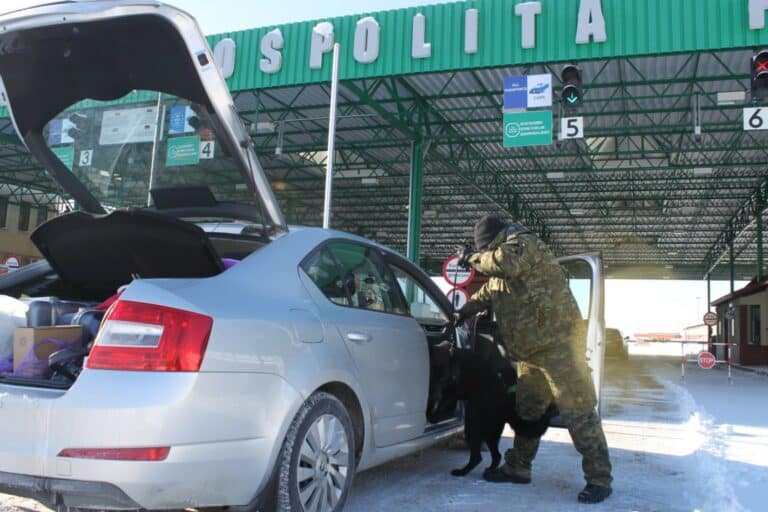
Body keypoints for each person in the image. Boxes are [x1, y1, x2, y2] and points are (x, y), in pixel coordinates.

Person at [455, 215, 613, 504]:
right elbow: (487, 293)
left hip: (559, 348)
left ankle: (599, 478)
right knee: (528, 413)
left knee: (579, 412)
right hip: (529, 354)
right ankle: (518, 467)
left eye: (485, 248)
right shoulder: (502, 274)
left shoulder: (524, 245)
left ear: (493, 241)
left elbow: (503, 263)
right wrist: (461, 313)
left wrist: (473, 257)